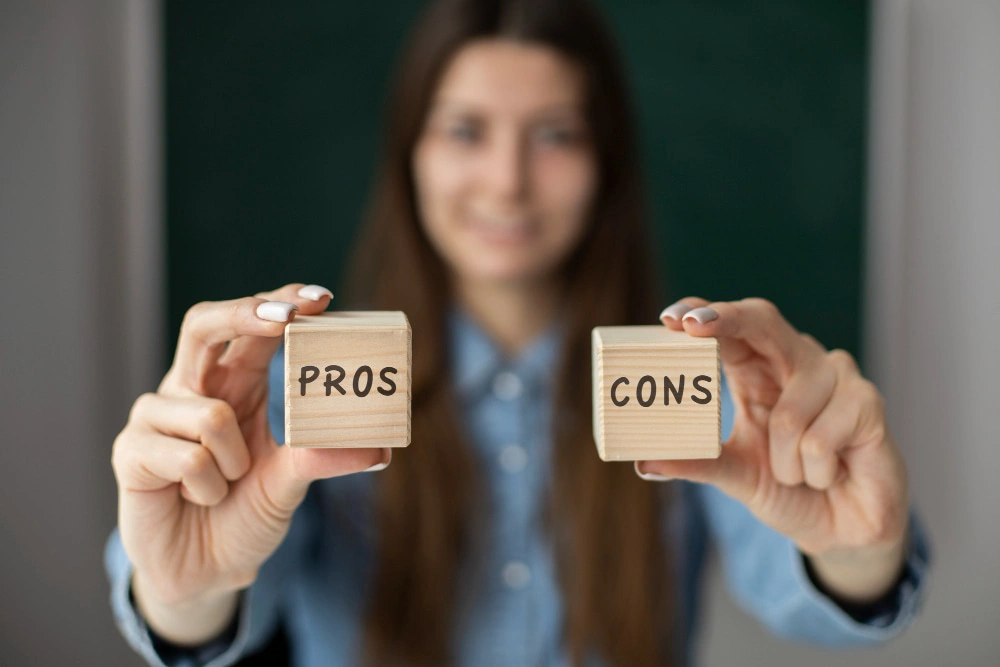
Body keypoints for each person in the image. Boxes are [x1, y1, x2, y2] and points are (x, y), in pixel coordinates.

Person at [104, 0, 930, 665]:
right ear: (410, 155)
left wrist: (858, 556)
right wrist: (181, 598)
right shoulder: (284, 393)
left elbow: (817, 587)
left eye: (556, 134)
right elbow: (213, 603)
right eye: (465, 129)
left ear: (607, 162)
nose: (506, 181)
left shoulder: (710, 387)